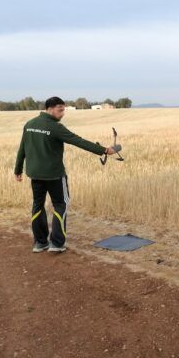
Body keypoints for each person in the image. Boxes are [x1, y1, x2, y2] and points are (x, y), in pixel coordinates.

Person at [14, 96, 116, 253]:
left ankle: (40, 243)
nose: (63, 114)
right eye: (60, 110)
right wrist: (104, 150)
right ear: (50, 108)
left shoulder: (30, 125)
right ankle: (56, 244)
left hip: (35, 175)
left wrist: (18, 170)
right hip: (55, 175)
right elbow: (78, 140)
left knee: (37, 206)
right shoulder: (55, 127)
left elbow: (22, 149)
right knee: (61, 205)